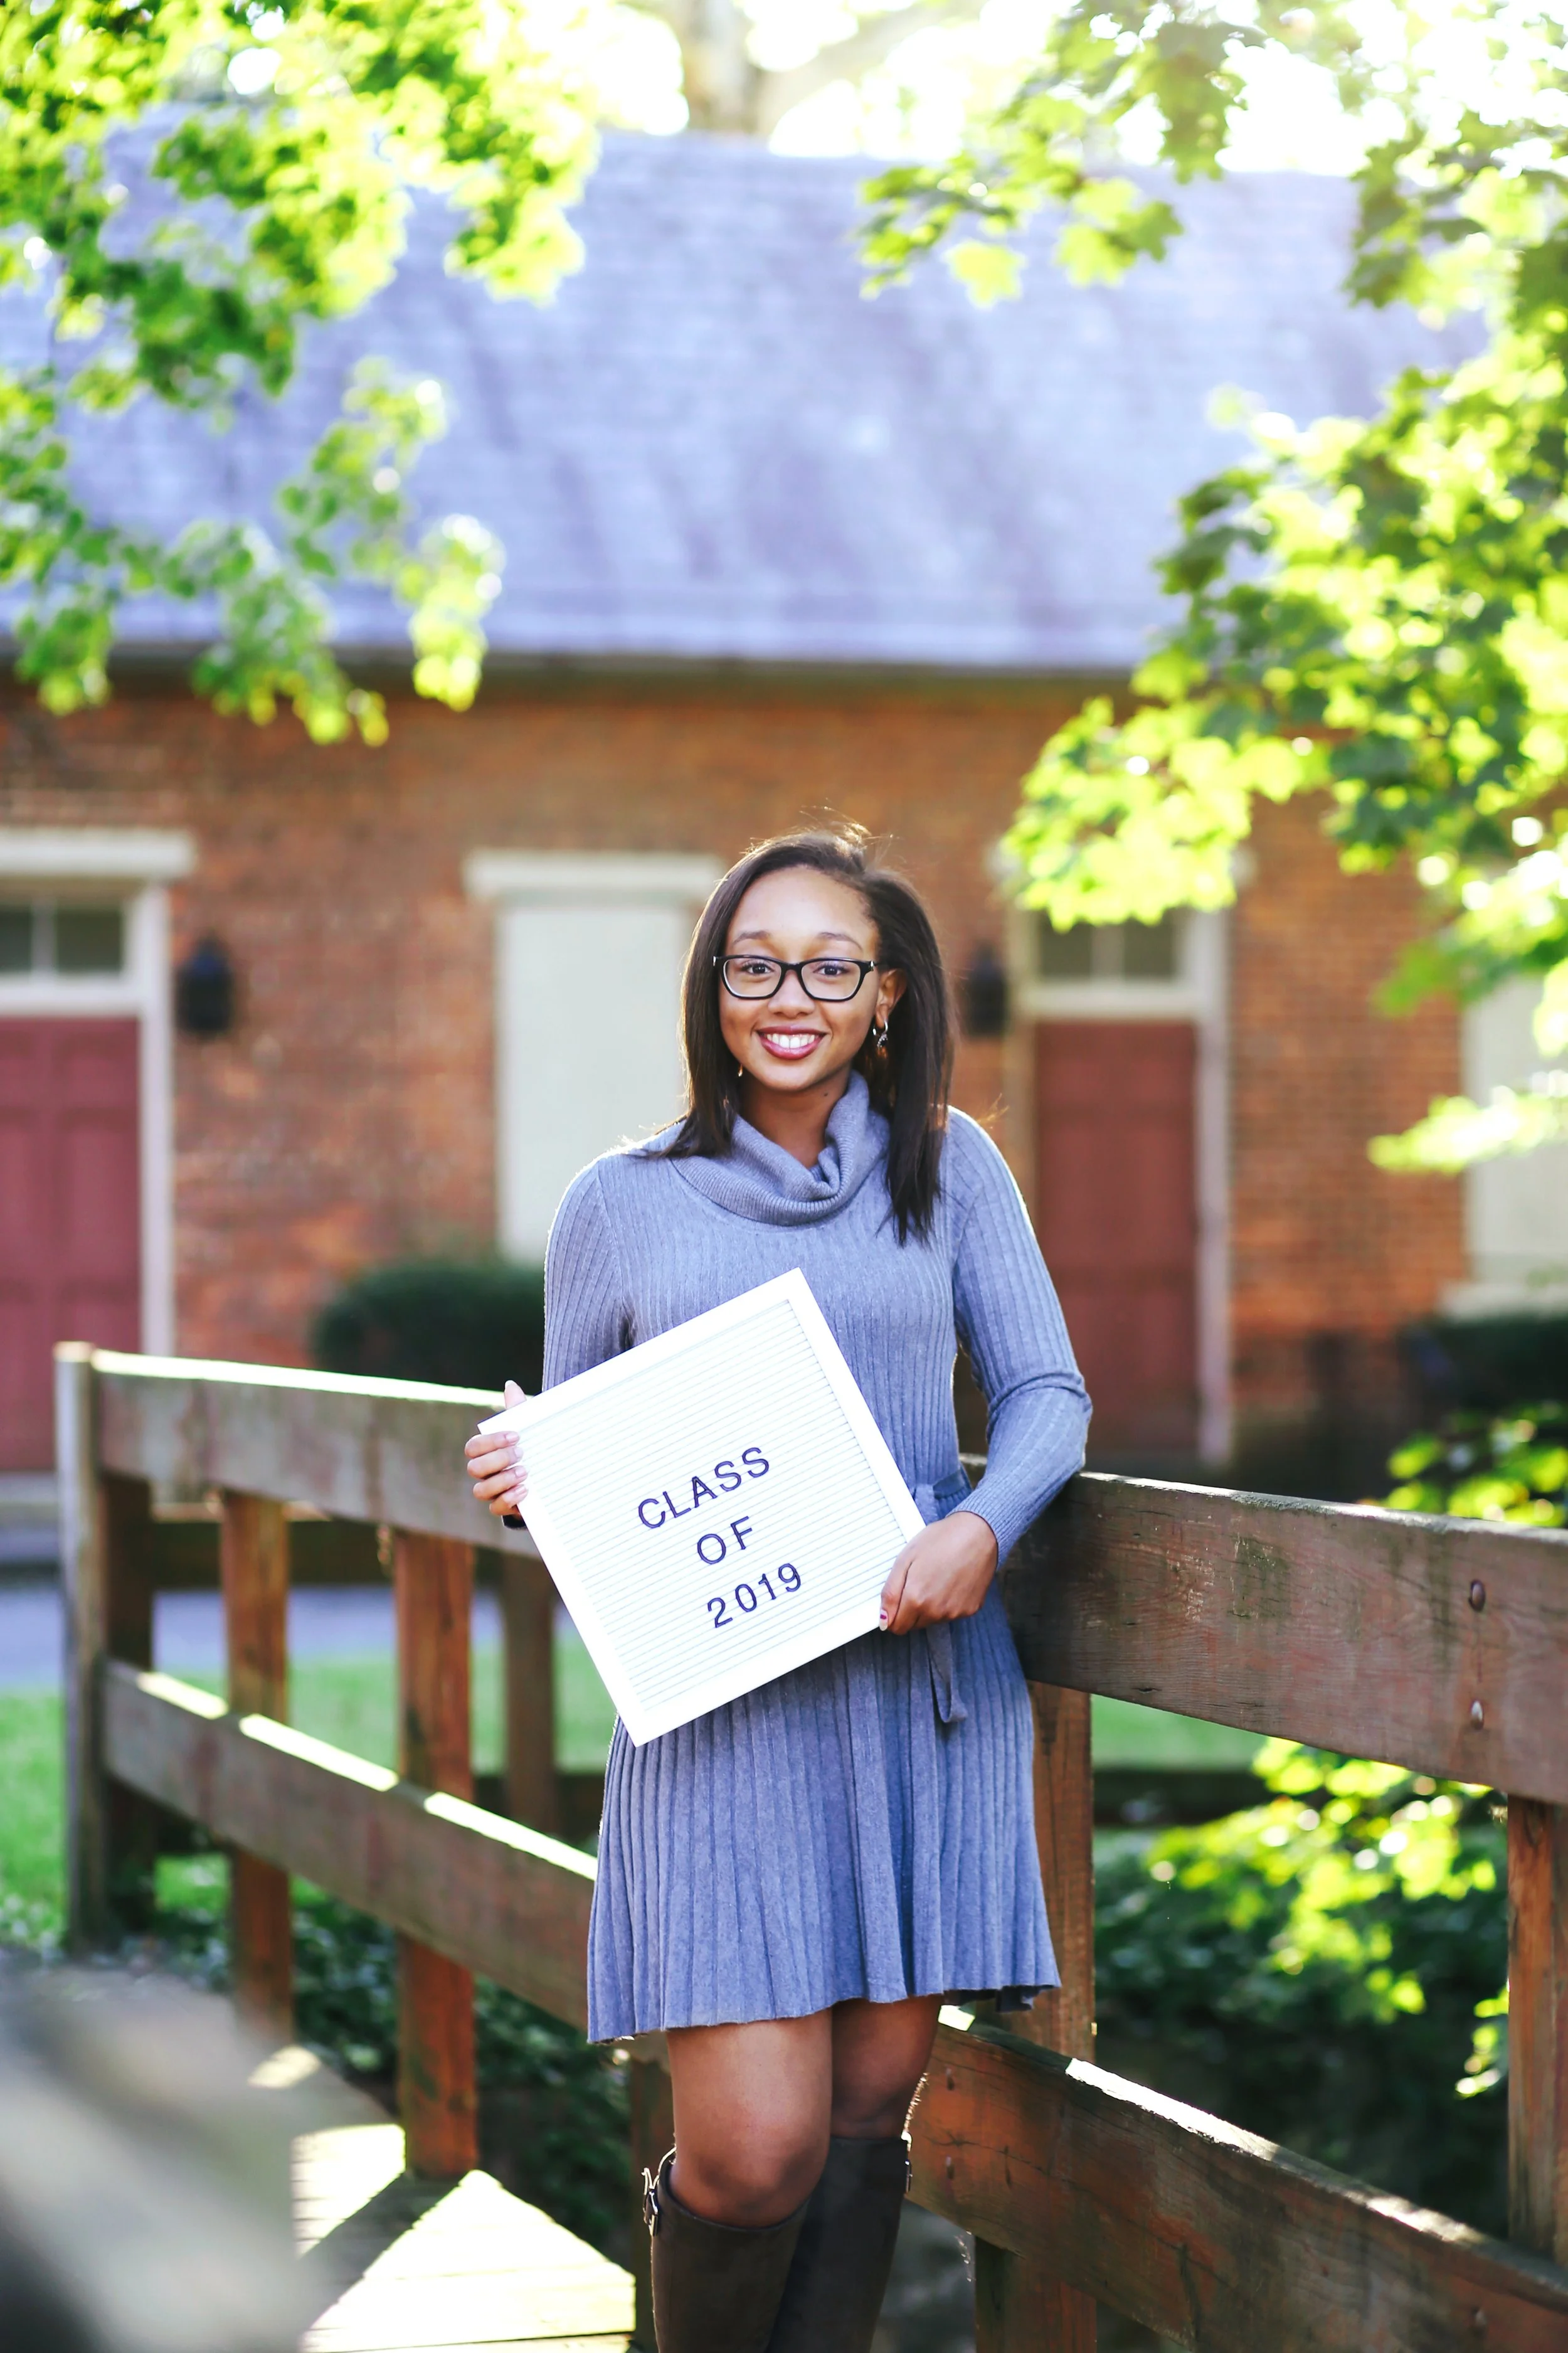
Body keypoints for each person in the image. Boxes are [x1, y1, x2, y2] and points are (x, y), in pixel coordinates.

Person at [464, 829, 1089, 2353]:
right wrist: (527, 1479)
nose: (787, 994)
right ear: (715, 989)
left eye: (828, 964)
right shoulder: (620, 1201)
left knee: (866, 2124)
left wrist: (984, 1527)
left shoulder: (953, 1167)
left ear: (885, 994)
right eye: (755, 964)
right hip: (720, 1729)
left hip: (912, 1702)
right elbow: (598, 1479)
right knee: (754, 2157)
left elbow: (1047, 1394)